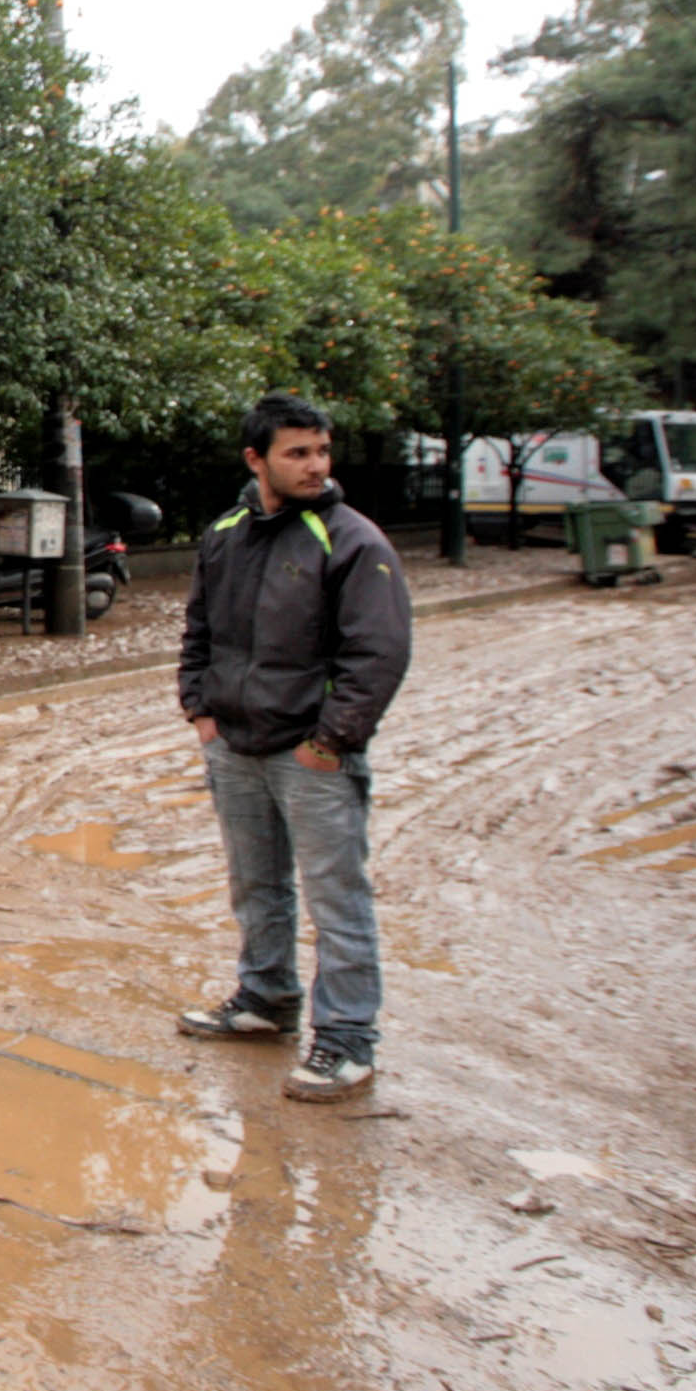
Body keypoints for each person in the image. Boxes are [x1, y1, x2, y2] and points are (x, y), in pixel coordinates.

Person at [176, 390, 416, 1103]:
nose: (316, 466)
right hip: (236, 748)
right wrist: (201, 712)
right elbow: (199, 632)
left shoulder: (353, 541)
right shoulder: (224, 533)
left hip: (311, 757)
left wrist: (329, 741)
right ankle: (265, 1001)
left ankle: (347, 1041)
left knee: (337, 898)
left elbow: (378, 656)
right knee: (257, 887)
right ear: (257, 459)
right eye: (297, 453)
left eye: (321, 450)